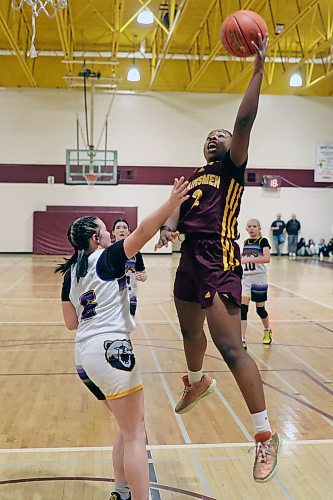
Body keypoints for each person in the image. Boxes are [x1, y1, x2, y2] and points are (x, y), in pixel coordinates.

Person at [155, 34, 279, 483]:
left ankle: (265, 437)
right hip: (189, 257)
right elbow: (177, 217)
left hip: (219, 255)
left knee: (230, 347)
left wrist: (259, 71)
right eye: (208, 136)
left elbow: (244, 120)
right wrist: (168, 229)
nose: (214, 138)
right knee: (189, 331)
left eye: (220, 135)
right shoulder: (194, 177)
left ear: (233, 145)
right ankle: (195, 381)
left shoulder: (232, 169)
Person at [55, 178, 189, 500]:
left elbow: (71, 322)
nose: (107, 233)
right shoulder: (106, 258)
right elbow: (142, 232)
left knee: (126, 428)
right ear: (94, 237)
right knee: (135, 434)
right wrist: (171, 203)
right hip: (111, 349)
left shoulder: (71, 272)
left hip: (84, 356)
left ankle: (121, 491)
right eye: (102, 229)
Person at [241, 219, 272, 350]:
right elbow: (243, 260)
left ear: (259, 228)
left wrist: (249, 259)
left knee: (260, 310)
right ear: (246, 229)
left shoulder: (263, 241)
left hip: (259, 279)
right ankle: (241, 339)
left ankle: (267, 330)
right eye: (249, 226)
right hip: (246, 279)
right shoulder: (246, 242)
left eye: (254, 226)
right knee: (243, 310)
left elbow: (267, 258)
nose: (252, 228)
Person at [112, 218, 147, 317]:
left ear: (129, 232)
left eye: (124, 228)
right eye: (118, 228)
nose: (121, 230)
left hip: (130, 294)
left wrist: (143, 277)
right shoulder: (108, 251)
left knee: (128, 325)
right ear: (113, 232)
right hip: (112, 295)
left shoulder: (135, 251)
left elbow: (143, 273)